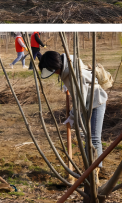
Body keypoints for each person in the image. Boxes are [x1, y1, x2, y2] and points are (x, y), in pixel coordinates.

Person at [39, 51, 108, 180]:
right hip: (86, 104)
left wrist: (72, 116)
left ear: (56, 66)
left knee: (93, 138)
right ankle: (89, 169)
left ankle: (95, 172)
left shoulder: (76, 73)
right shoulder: (67, 69)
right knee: (86, 136)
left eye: (53, 70)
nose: (55, 74)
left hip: (96, 102)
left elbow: (81, 100)